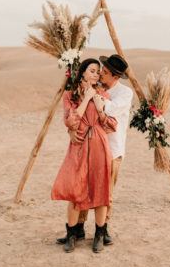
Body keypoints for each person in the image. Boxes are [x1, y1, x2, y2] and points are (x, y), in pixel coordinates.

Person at [57, 54, 133, 246]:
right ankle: (77, 230)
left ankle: (102, 231)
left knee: (104, 191)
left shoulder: (121, 93)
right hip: (84, 146)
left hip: (111, 147)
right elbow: (72, 120)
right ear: (82, 72)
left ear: (114, 76)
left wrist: (96, 101)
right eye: (96, 71)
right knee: (79, 188)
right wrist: (71, 130)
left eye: (103, 72)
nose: (100, 75)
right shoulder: (76, 93)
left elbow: (111, 117)